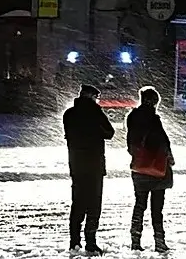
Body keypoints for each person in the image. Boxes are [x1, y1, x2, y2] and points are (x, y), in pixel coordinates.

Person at [64, 84, 114, 254]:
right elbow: (110, 133)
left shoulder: (69, 114)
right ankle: (90, 242)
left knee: (77, 203)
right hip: (94, 165)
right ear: (92, 96)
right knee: (94, 205)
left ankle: (74, 241)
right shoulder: (95, 113)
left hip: (76, 165)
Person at [126, 86, 174, 252]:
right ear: (153, 102)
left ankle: (135, 240)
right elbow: (162, 143)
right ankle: (159, 242)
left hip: (139, 168)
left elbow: (131, 144)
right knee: (157, 209)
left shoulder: (132, 117)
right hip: (157, 169)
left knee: (139, 205)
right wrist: (169, 157)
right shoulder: (154, 119)